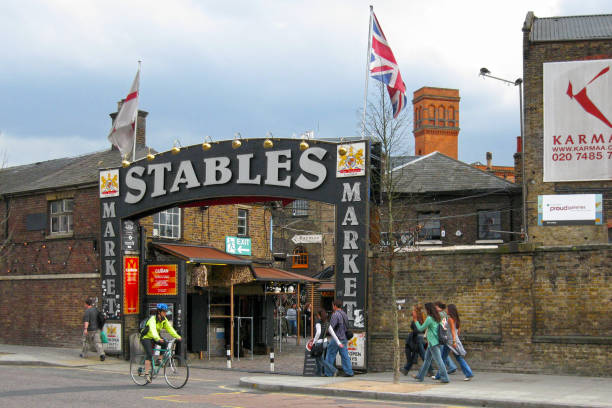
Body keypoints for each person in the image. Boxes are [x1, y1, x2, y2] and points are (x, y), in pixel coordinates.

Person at [140, 303, 182, 383]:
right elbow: (152, 330)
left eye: (166, 312)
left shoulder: (164, 320)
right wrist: (158, 338)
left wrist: (177, 336)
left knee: (165, 343)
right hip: (146, 337)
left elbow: (170, 329)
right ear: (159, 312)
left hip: (155, 337)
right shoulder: (152, 319)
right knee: (149, 354)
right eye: (164, 312)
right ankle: (146, 374)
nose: (165, 313)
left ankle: (159, 360)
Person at [412, 302, 449, 383]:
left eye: (426, 309)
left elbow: (421, 328)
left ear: (428, 309)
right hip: (435, 341)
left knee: (439, 361)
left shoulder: (429, 318)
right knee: (427, 360)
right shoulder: (437, 317)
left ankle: (445, 378)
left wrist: (415, 320)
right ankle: (420, 376)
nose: (425, 311)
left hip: (433, 343)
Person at [401, 304, 433, 376]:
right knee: (417, 354)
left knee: (424, 356)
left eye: (413, 311)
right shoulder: (422, 317)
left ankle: (430, 371)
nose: (412, 312)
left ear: (416, 312)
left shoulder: (417, 320)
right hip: (421, 339)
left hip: (418, 339)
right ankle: (406, 369)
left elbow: (417, 330)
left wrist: (413, 333)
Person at [325, 299, 354, 377]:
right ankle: (349, 372)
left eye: (332, 305)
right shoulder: (344, 314)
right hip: (344, 338)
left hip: (336, 338)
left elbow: (331, 327)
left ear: (335, 306)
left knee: (330, 355)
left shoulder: (335, 315)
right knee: (345, 356)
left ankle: (328, 373)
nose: (332, 307)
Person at [446, 304, 474, 381]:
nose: (446, 310)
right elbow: (458, 331)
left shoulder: (450, 319)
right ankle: (469, 373)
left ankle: (469, 373)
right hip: (453, 340)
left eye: (447, 309)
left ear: (450, 310)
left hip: (450, 341)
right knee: (453, 358)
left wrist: (454, 341)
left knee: (445, 358)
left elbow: (452, 330)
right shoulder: (456, 319)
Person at [309, 309, 340, 376]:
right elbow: (333, 333)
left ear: (319, 316)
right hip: (325, 342)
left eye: (317, 315)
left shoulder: (318, 322)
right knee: (318, 359)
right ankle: (318, 373)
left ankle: (333, 370)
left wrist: (314, 342)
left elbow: (318, 332)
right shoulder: (327, 323)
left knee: (321, 360)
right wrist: (338, 342)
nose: (317, 316)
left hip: (319, 343)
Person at [434, 301, 458, 375]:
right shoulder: (445, 314)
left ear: (438, 307)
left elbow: (437, 324)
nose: (434, 308)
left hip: (441, 334)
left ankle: (450, 367)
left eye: (435, 307)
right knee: (443, 353)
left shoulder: (440, 314)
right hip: (445, 334)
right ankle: (450, 367)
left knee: (442, 353)